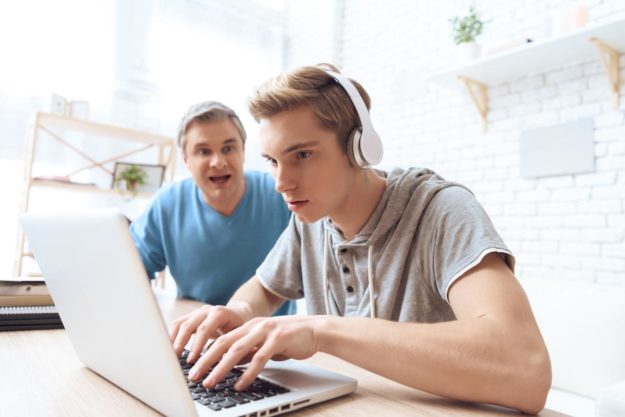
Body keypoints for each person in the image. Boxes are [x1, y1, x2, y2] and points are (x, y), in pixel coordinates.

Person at [169, 66, 551, 413]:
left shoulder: (441, 210)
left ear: (360, 147)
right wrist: (240, 315)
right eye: (272, 161)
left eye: (301, 154)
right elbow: (265, 290)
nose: (281, 182)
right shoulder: (310, 219)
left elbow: (526, 368)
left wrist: (319, 331)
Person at [130, 101, 294, 315]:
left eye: (228, 148)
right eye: (204, 151)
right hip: (195, 331)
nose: (218, 162)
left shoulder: (283, 196)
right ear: (186, 159)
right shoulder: (167, 203)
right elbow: (133, 270)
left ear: (243, 151)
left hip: (269, 337)